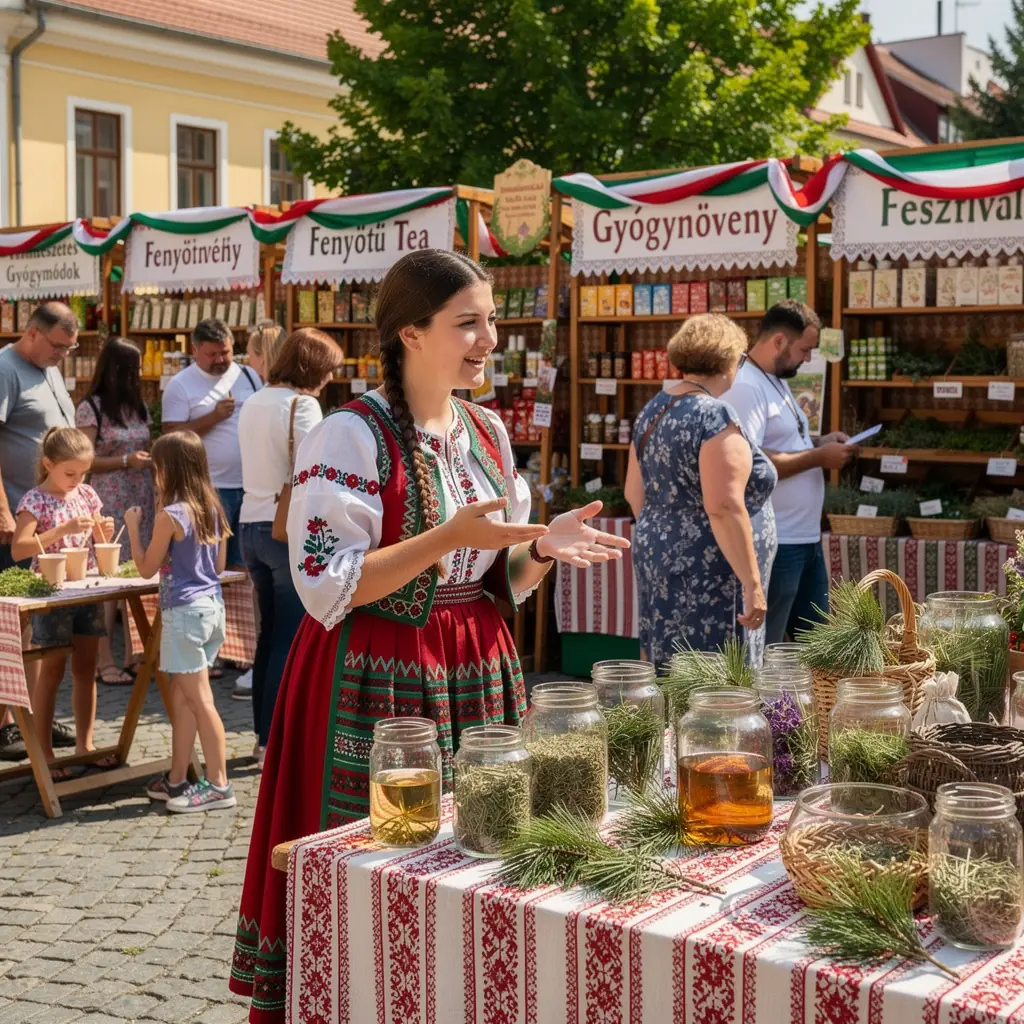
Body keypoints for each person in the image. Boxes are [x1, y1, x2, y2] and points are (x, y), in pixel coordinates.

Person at [229, 249, 629, 1021]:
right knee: (378, 854)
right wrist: (444, 538)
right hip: (374, 669)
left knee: (482, 846)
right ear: (411, 332)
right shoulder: (350, 435)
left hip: (476, 662)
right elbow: (326, 583)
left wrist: (542, 549)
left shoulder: (486, 430)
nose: (490, 341)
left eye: (492, 321)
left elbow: (495, 575)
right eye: (467, 323)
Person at [625, 314, 777, 667]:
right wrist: (752, 584)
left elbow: (634, 493)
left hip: (660, 555)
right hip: (711, 571)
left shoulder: (654, 408)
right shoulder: (714, 416)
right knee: (715, 676)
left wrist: (670, 534)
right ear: (729, 360)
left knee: (671, 666)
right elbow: (723, 506)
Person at [722, 300, 854, 645]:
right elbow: (749, 461)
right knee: (768, 647)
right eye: (805, 350)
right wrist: (818, 456)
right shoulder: (746, 385)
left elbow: (783, 441)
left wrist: (820, 442)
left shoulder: (775, 379)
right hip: (778, 540)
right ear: (779, 341)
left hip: (804, 538)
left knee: (816, 647)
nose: (808, 358)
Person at [238, 328, 340, 768]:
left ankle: (263, 737)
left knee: (270, 635)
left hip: (250, 524)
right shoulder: (304, 405)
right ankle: (277, 741)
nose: (331, 378)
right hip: (284, 529)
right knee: (290, 636)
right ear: (312, 367)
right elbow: (315, 469)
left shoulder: (254, 400)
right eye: (329, 369)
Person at [124, 431, 236, 813]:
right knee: (183, 697)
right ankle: (176, 779)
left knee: (200, 701)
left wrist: (133, 527)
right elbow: (218, 566)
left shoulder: (170, 515)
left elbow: (145, 568)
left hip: (184, 613)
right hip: (211, 608)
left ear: (167, 469)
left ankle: (219, 784)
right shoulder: (212, 507)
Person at [0, 302, 80, 760]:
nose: (63, 355)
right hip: (17, 521)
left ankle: (30, 718)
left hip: (46, 522)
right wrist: (3, 512)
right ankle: (8, 724)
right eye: (58, 346)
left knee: (31, 630)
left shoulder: (48, 368)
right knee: (11, 628)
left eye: (69, 348)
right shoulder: (6, 370)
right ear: (32, 333)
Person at [10, 427, 114, 776]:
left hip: (86, 589)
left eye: (83, 473)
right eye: (70, 473)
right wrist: (61, 530)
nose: (77, 480)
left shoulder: (86, 494)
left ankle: (86, 745)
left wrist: (105, 533)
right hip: (50, 594)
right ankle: (45, 752)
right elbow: (19, 549)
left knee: (86, 668)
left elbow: (99, 541)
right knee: (51, 671)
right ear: (48, 464)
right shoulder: (34, 500)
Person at [76, 337, 154, 685]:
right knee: (107, 581)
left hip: (140, 497)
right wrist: (125, 460)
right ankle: (103, 660)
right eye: (134, 368)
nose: (140, 373)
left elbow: (143, 445)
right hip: (108, 499)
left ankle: (134, 655)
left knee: (136, 576)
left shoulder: (138, 406)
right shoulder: (90, 408)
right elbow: (83, 459)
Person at [160, 318, 261, 568]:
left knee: (244, 565)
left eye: (225, 352)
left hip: (250, 487)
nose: (220, 359)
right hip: (208, 488)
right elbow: (171, 436)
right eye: (212, 354)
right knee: (211, 564)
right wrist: (213, 417)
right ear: (195, 350)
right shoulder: (180, 384)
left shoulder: (248, 375)